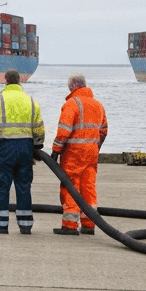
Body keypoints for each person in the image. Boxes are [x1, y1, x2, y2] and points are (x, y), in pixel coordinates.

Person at [0, 69, 46, 235]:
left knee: (2, 186)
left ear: (5, 80)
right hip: (25, 148)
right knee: (24, 185)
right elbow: (39, 128)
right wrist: (37, 147)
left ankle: (0, 225)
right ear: (19, 80)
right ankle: (25, 225)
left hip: (4, 148)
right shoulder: (31, 100)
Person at [51, 73, 108, 235]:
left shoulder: (72, 104)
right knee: (88, 187)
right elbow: (103, 131)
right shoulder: (98, 105)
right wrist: (95, 147)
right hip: (91, 152)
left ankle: (69, 225)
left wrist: (55, 150)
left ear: (73, 86)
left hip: (74, 153)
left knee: (71, 186)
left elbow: (64, 131)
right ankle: (89, 224)